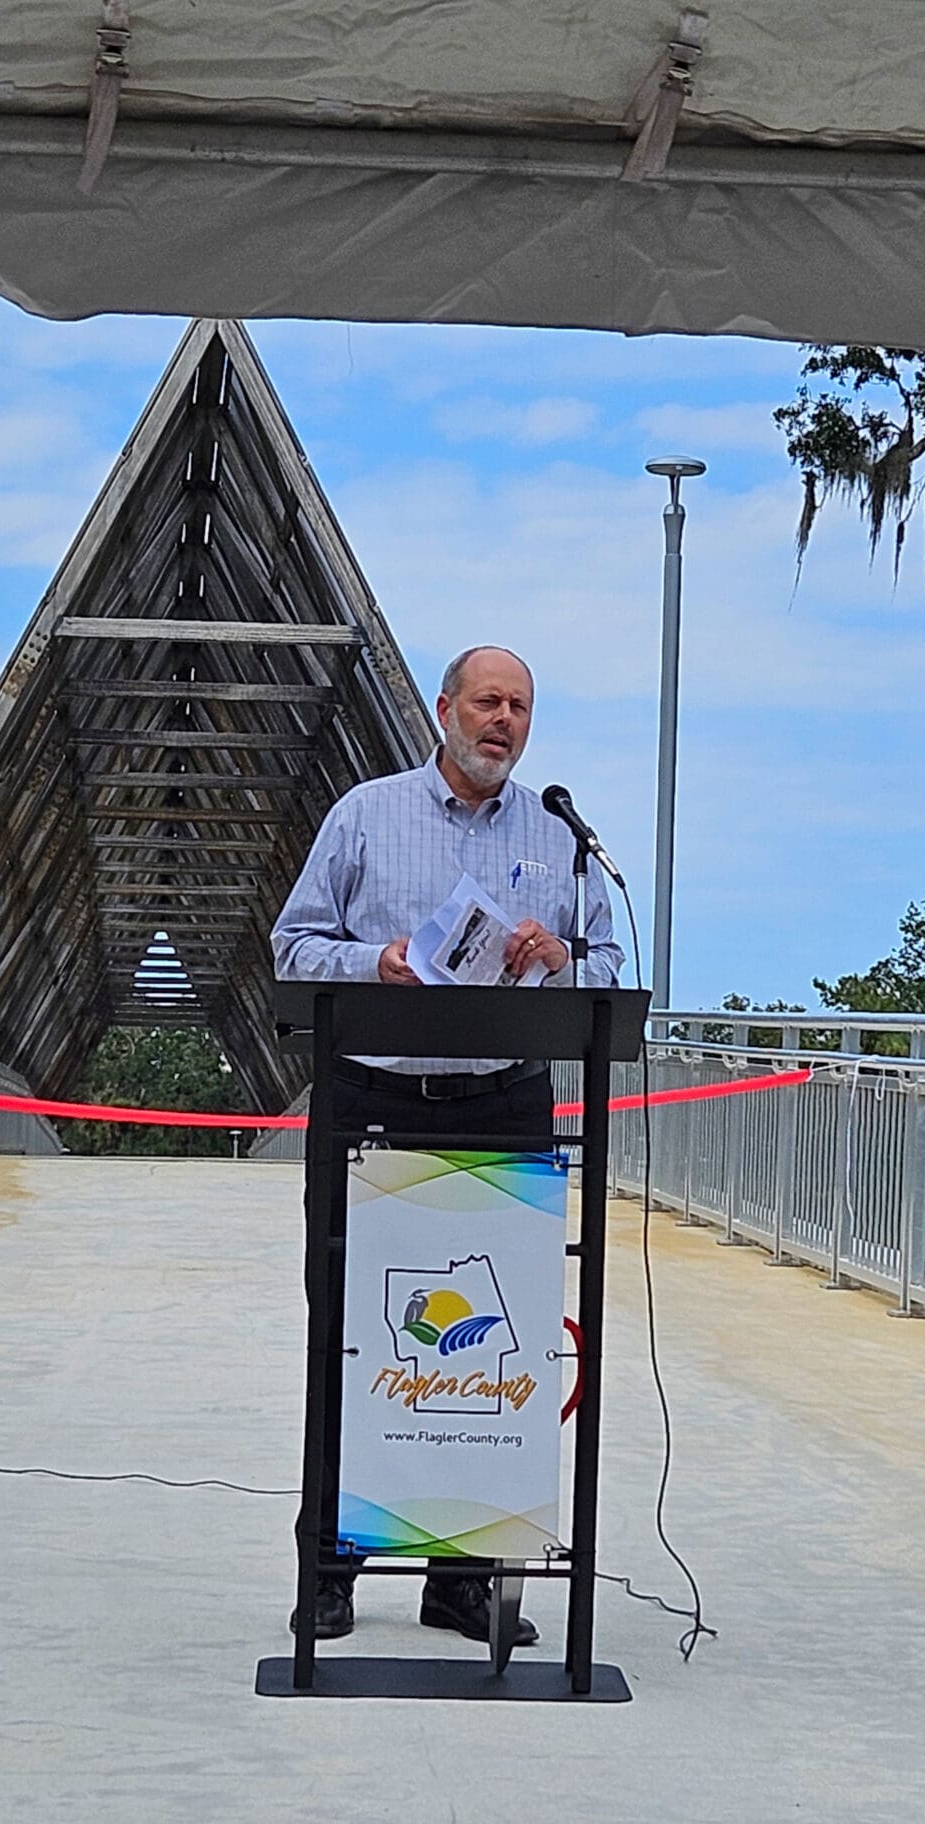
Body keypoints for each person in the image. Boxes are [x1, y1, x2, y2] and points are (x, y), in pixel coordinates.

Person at [270, 644, 624, 1645]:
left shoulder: (561, 838)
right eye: (486, 702)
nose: (502, 721)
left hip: (503, 1106)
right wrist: (376, 963)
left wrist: (563, 961)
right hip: (371, 1105)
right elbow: (294, 944)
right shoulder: (364, 816)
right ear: (443, 710)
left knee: (489, 1349)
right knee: (353, 1337)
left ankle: (464, 1579)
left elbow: (605, 966)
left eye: (519, 706)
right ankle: (332, 1568)